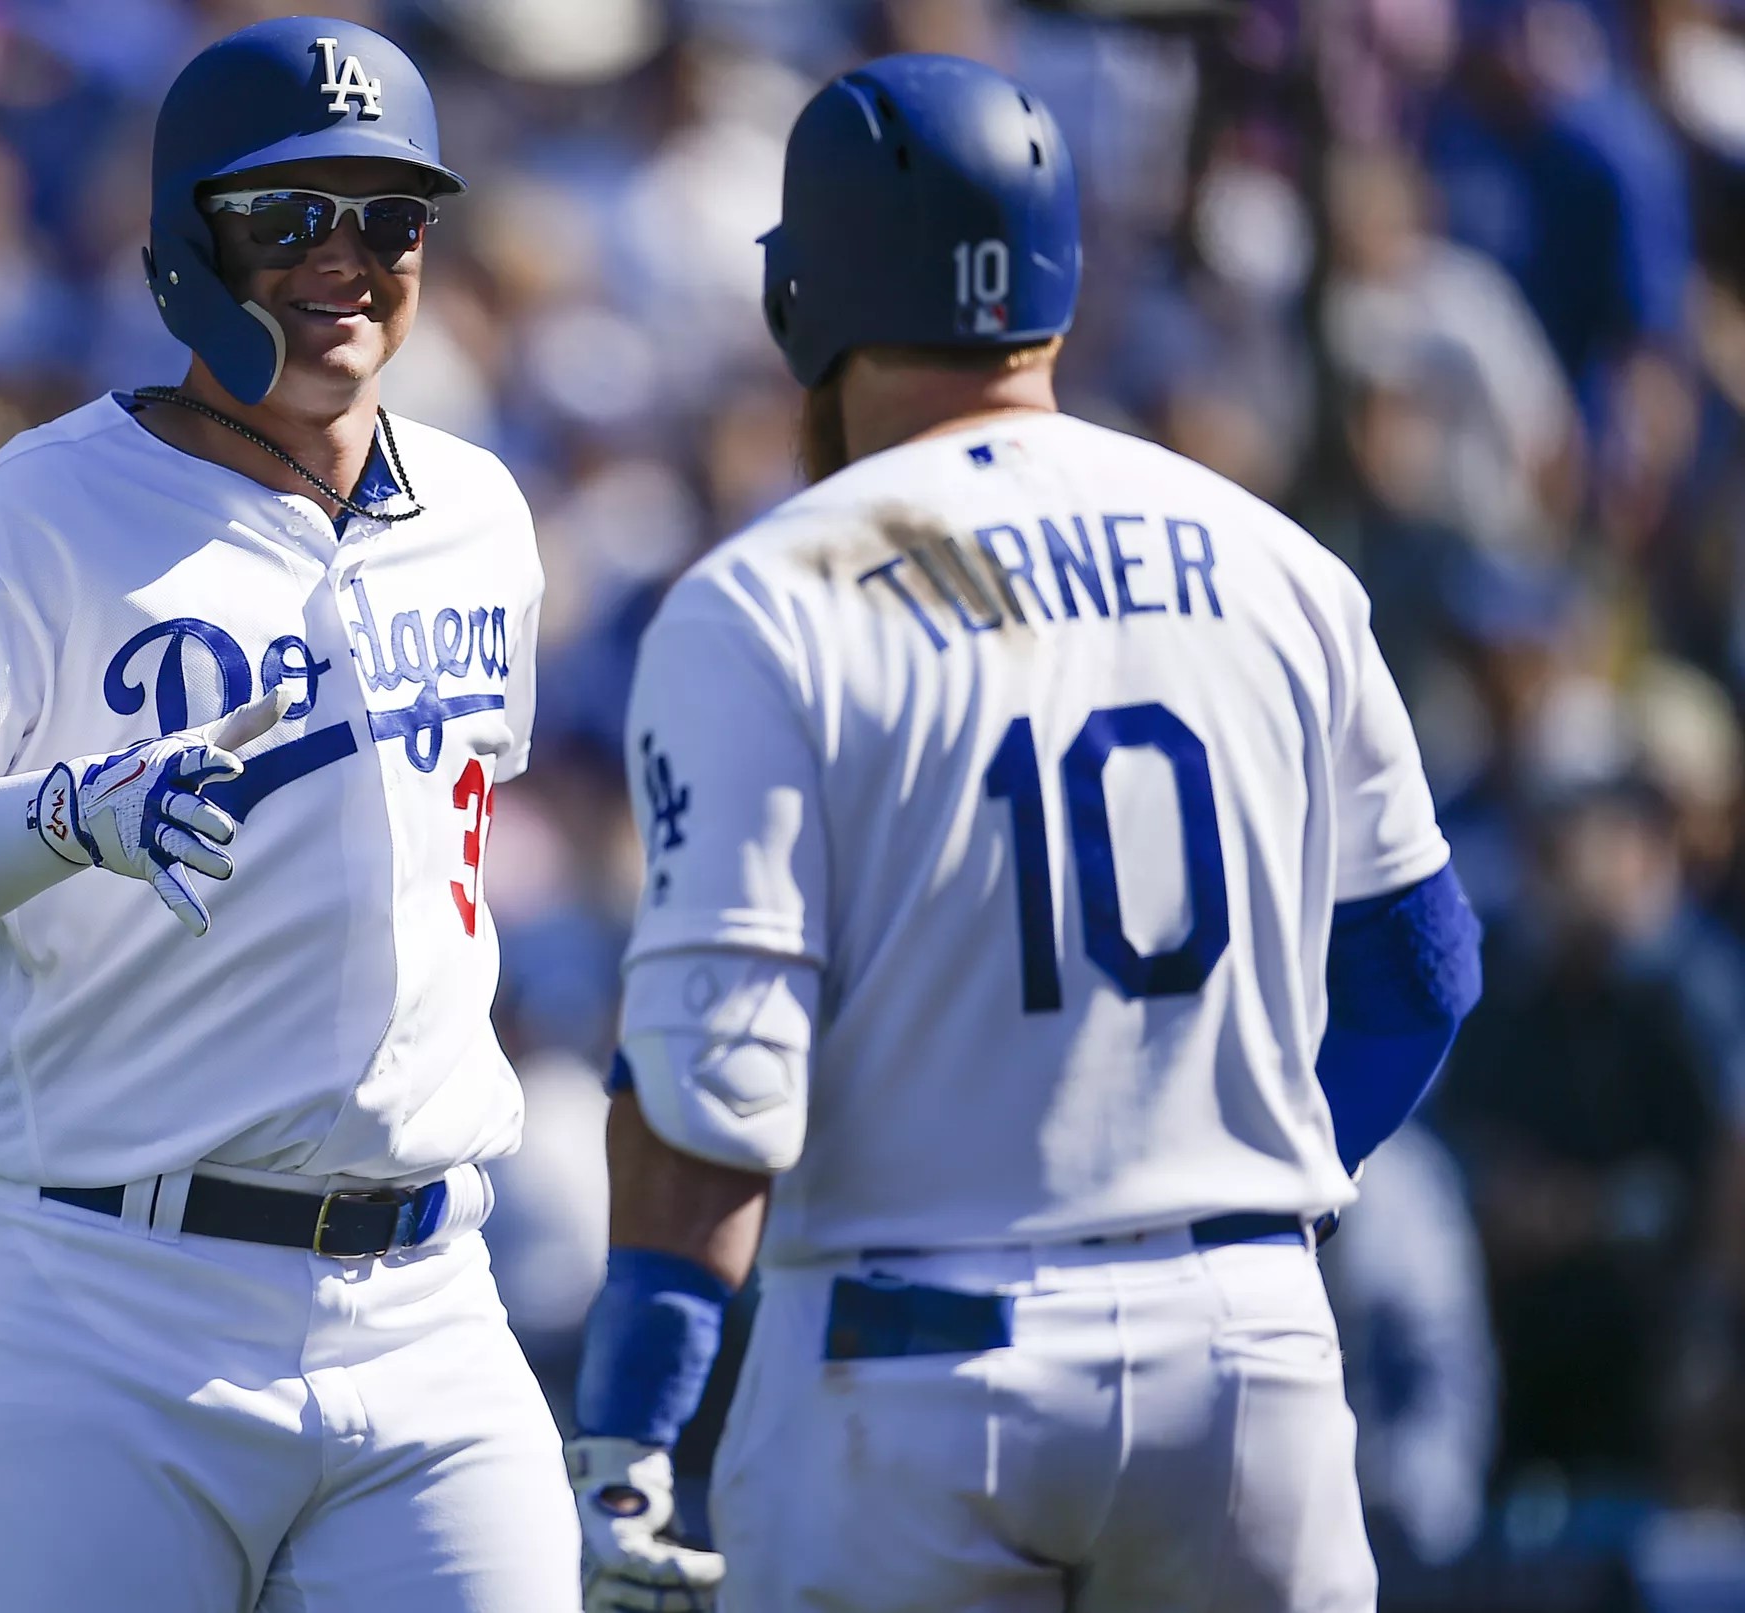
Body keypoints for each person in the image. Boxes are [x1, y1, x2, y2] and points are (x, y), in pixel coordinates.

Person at [567, 55, 1485, 1613]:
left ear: (805, 303)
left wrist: (631, 1433)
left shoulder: (767, 596)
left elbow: (712, 1091)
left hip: (919, 1370)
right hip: (1246, 1361)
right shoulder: (1279, 561)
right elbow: (1420, 971)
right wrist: (1230, 1202)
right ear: (1055, 292)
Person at [0, 17, 576, 1611]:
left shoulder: (483, 515)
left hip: (428, 1303)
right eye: (290, 217)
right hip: (100, 1303)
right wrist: (64, 814)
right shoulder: (34, 514)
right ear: (187, 237)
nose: (345, 259)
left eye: (389, 217)